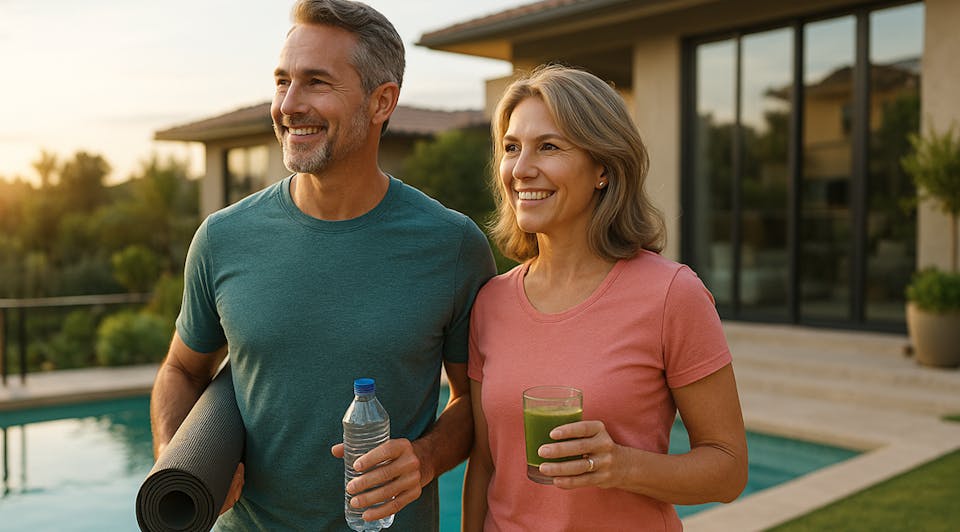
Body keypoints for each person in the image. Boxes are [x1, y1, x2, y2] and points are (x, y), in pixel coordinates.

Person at [149, 1, 496, 530]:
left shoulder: (451, 246)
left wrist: (425, 459)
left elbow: (474, 402)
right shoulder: (223, 237)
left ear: (382, 102)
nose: (289, 104)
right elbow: (181, 369)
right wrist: (179, 458)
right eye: (282, 80)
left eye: (316, 83)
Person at [462, 64, 748, 531]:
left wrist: (622, 465)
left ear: (603, 168)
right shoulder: (491, 302)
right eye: (512, 148)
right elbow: (487, 465)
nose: (521, 168)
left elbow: (729, 470)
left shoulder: (672, 295)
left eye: (549, 147)